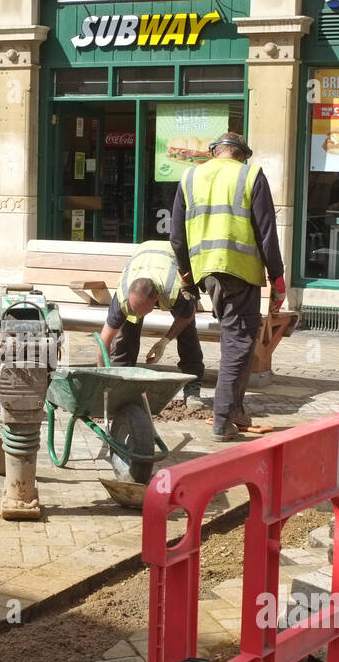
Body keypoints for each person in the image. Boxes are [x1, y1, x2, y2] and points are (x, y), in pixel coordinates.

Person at [170, 131, 286, 441]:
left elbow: (177, 236)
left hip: (207, 272)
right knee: (237, 342)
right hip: (239, 273)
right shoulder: (251, 175)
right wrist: (278, 276)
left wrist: (186, 274)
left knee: (241, 340)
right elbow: (266, 232)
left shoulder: (191, 177)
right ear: (241, 154)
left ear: (215, 152)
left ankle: (234, 410)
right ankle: (223, 418)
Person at [98, 241, 204, 407]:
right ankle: (120, 387)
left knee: (187, 333)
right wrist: (101, 378)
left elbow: (187, 316)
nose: (138, 314)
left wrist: (164, 341)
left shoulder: (174, 290)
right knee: (125, 333)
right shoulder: (122, 297)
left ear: (156, 299)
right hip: (143, 253)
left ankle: (192, 390)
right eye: (134, 308)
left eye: (141, 310)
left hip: (172, 256)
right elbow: (104, 339)